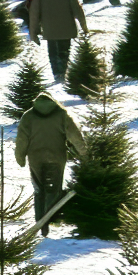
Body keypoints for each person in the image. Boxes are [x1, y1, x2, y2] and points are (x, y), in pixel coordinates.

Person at [15, 92, 85, 236]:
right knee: (53, 190)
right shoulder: (62, 114)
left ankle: (40, 223)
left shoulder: (28, 116)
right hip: (56, 157)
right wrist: (84, 154)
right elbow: (75, 135)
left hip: (35, 159)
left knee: (39, 190)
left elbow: (22, 139)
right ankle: (49, 221)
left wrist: (20, 158)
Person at [28, 0, 89, 83]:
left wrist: (34, 34)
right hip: (67, 29)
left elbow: (34, 16)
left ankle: (56, 73)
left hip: (50, 31)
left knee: (53, 53)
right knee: (64, 51)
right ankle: (63, 72)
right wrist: (84, 28)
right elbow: (79, 12)